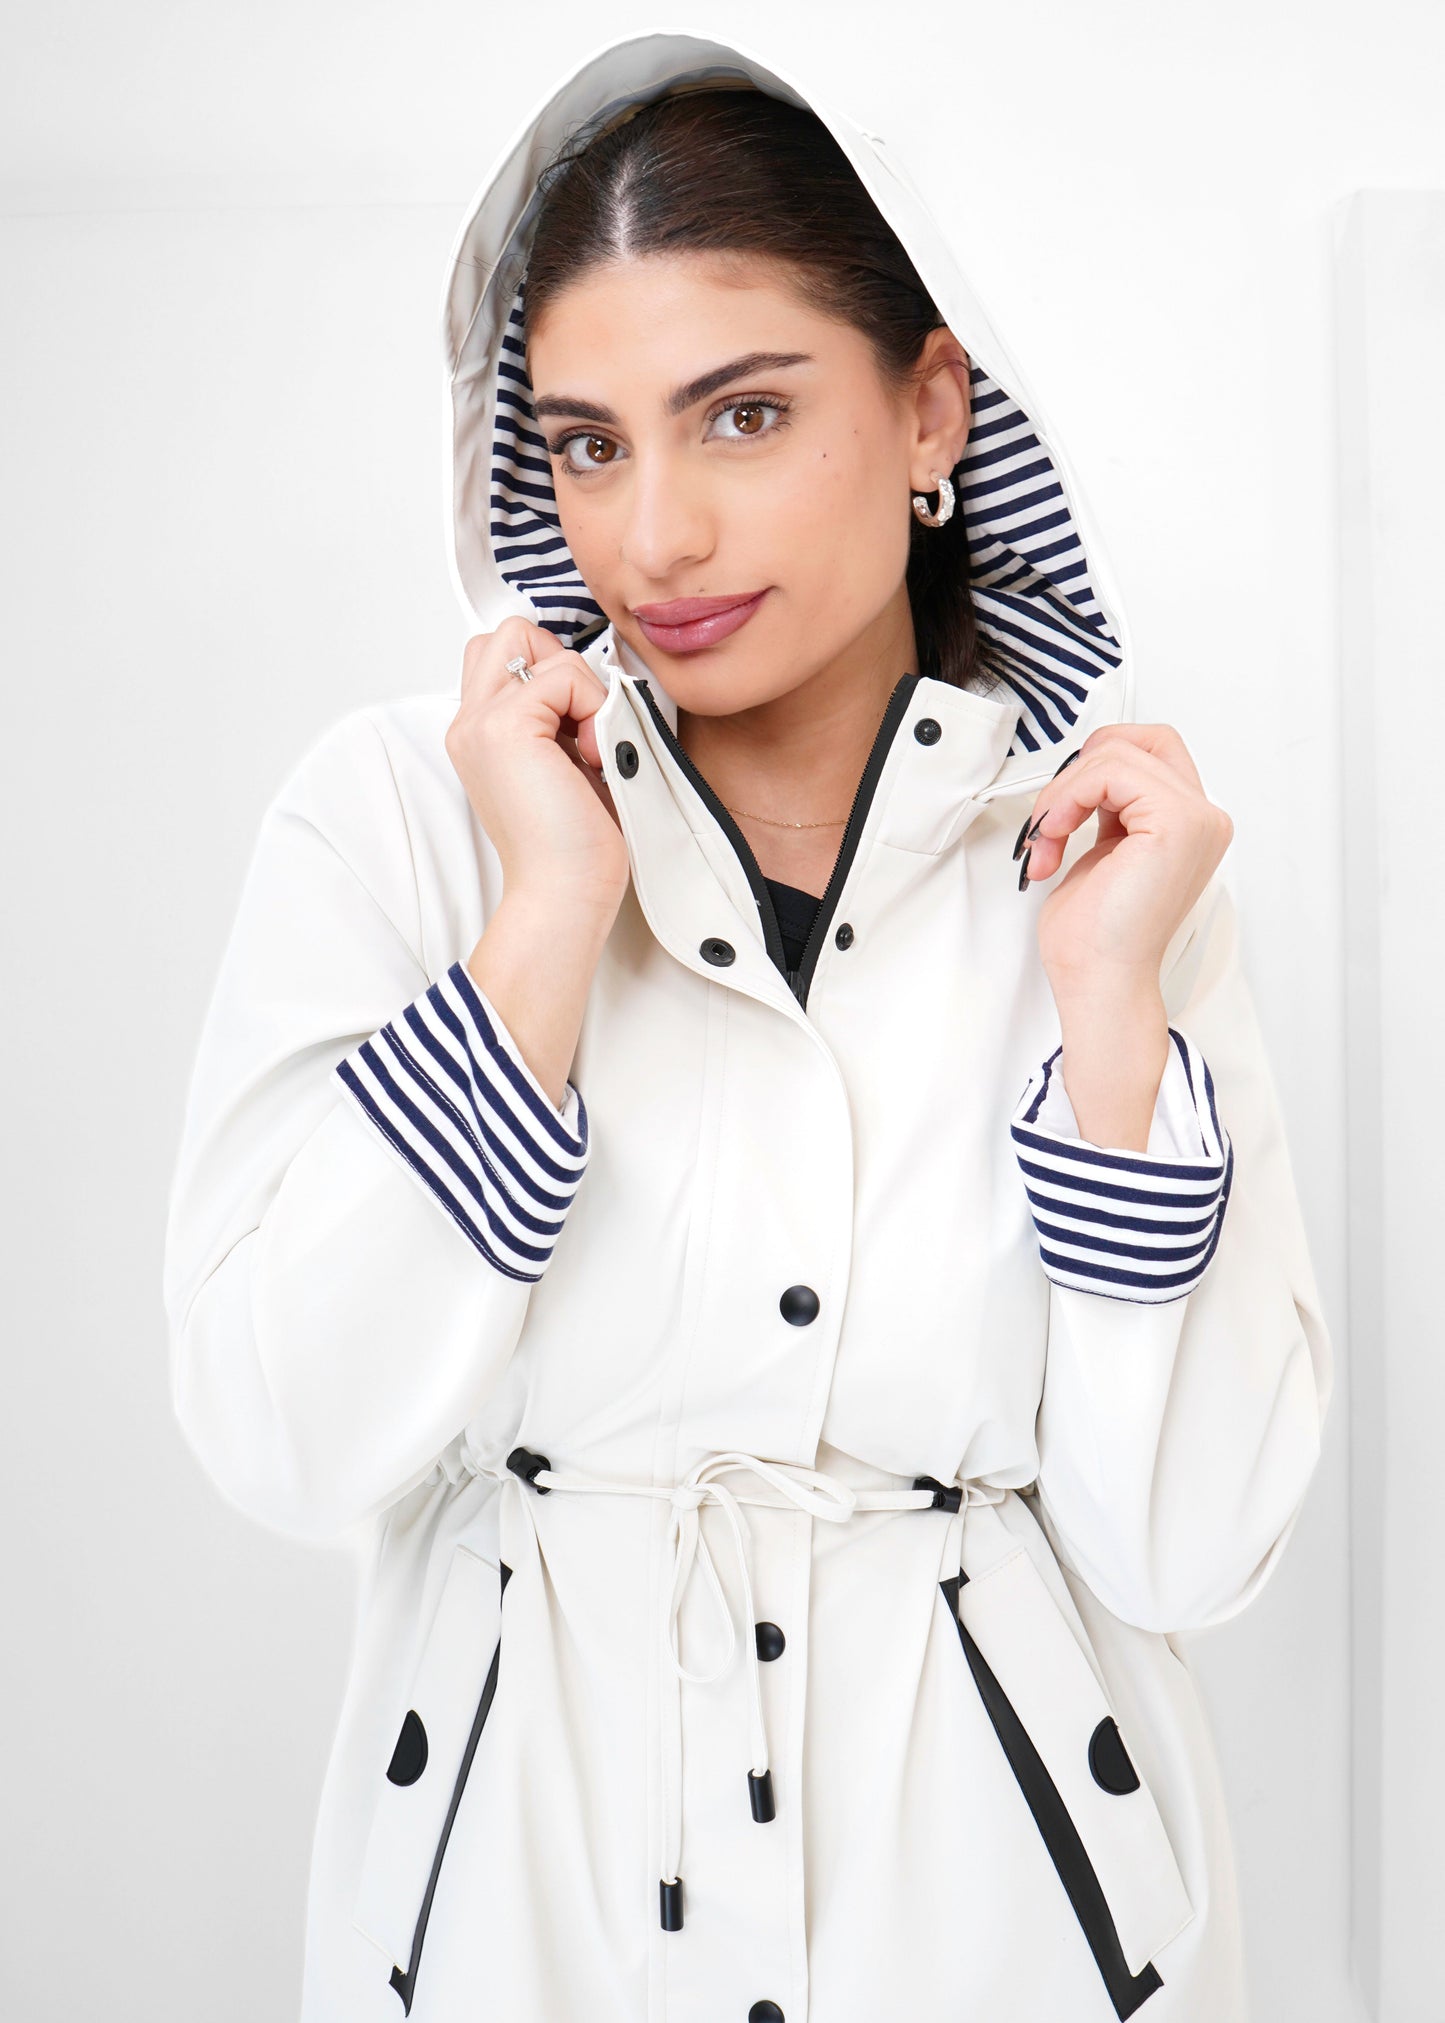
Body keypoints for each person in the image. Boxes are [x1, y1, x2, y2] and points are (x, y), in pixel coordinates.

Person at [161, 29, 1333, 2023]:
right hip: (521, 1933)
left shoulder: (1101, 874)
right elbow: (285, 1431)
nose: (656, 540)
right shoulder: (403, 823)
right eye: (588, 444)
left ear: (931, 406)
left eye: (744, 415)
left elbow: (1192, 1548)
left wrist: (1109, 1017)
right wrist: (545, 921)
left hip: (1004, 1939)